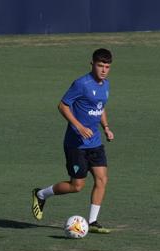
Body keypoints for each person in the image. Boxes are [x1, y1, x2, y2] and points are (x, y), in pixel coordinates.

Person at [32, 48, 115, 233]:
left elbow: (100, 108)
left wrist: (106, 128)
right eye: (100, 65)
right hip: (76, 144)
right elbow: (62, 105)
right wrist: (78, 126)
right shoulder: (81, 84)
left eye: (107, 67)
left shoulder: (106, 85)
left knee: (102, 179)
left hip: (95, 142)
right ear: (92, 64)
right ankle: (41, 194)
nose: (103, 70)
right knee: (77, 186)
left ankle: (92, 222)